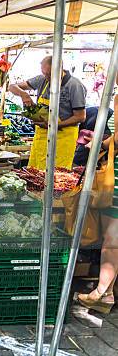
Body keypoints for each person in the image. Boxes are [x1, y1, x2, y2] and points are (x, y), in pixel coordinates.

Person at [77, 92, 118, 313]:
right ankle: (107, 292)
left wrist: (98, 144)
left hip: (115, 175)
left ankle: (102, 293)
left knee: (112, 238)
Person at [9, 56, 86, 169]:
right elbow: (12, 86)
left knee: (57, 174)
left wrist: (54, 125)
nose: (47, 77)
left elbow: (80, 117)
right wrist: (23, 94)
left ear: (60, 69)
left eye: (49, 74)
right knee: (35, 172)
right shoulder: (42, 79)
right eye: (44, 73)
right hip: (42, 135)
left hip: (63, 138)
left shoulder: (74, 85)